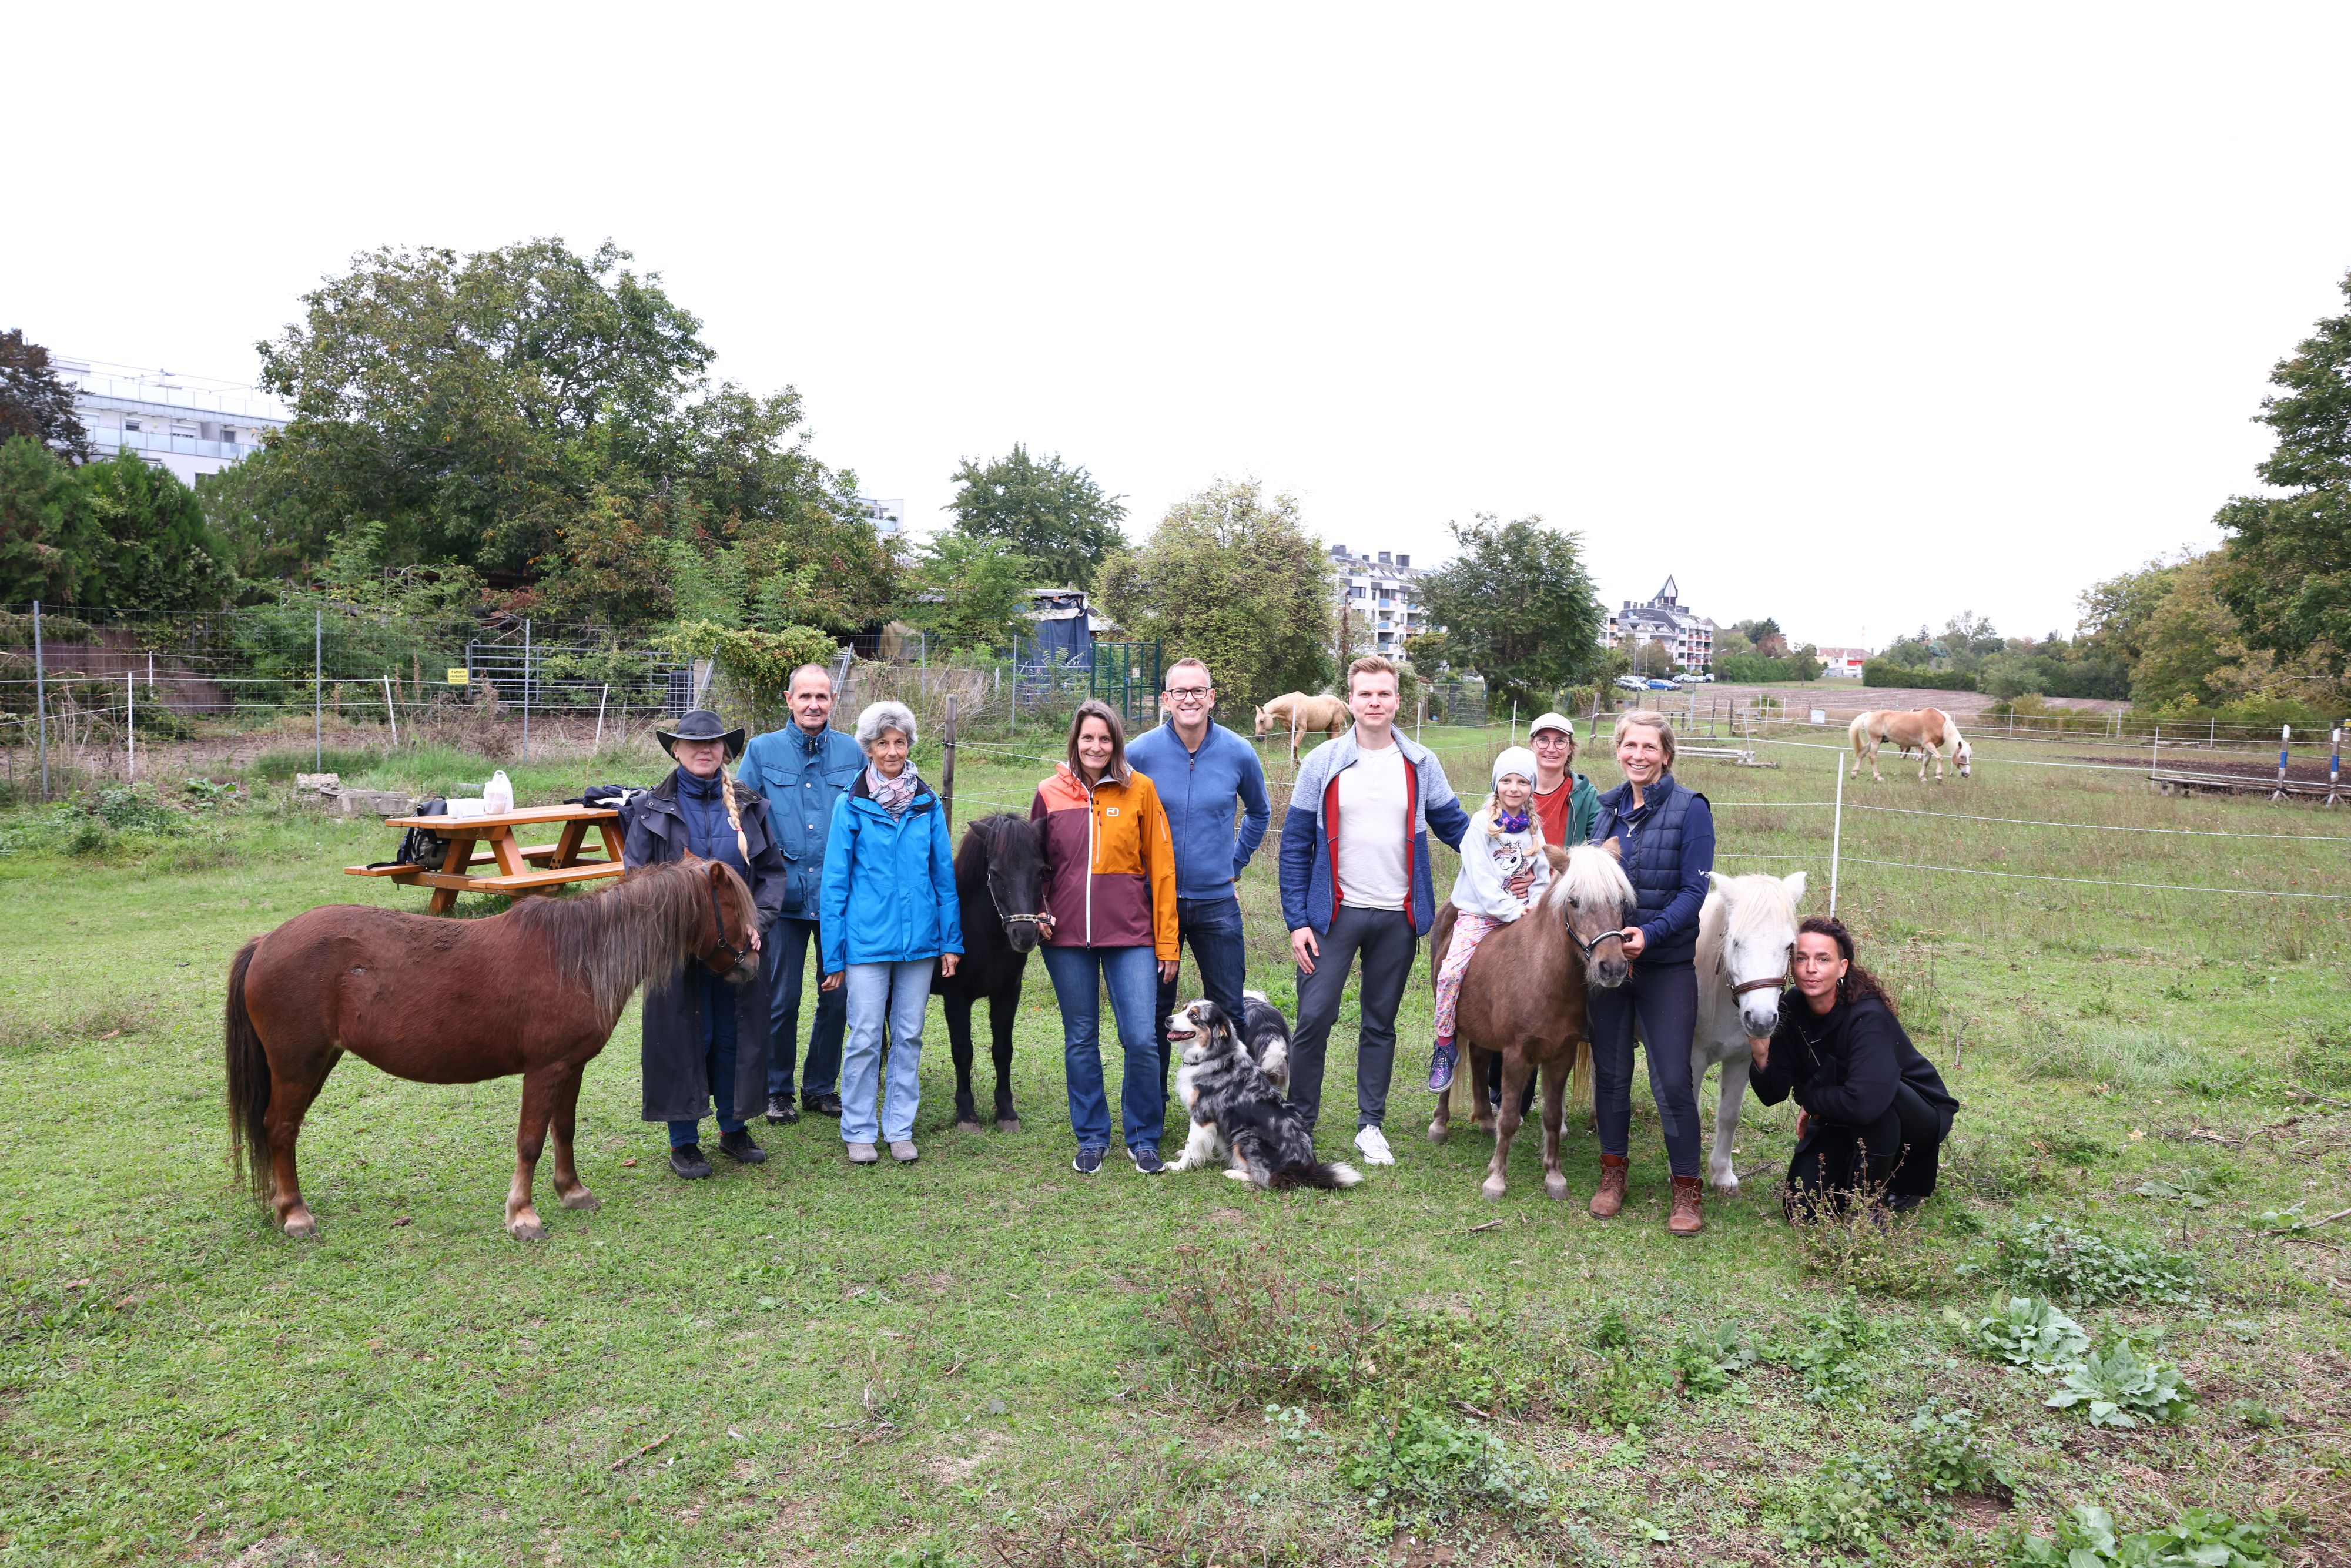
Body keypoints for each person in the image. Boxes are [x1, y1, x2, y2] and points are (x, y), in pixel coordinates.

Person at [1279, 656, 1471, 1167]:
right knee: (1314, 1019)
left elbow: (1458, 829)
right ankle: (1300, 1124)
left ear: (1396, 701)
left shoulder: (1422, 763)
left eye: (1383, 694)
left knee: (1379, 1023)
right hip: (1332, 916)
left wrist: (1510, 851)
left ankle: (1370, 1126)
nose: (1374, 703)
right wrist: (1297, 920)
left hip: (1397, 916)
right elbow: (1296, 844)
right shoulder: (1324, 763)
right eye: (1365, 694)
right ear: (1351, 699)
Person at [623, 708, 786, 1180]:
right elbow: (636, 879)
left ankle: (734, 1129)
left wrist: (761, 921)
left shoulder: (751, 806)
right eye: (694, 744)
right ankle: (684, 1141)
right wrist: (676, 930)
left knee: (737, 1036)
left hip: (739, 946)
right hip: (677, 952)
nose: (704, 751)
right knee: (683, 1038)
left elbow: (773, 874)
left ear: (726, 752)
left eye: (714, 744)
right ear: (676, 750)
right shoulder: (652, 810)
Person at [1031, 699, 1180, 1175]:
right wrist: (1037, 911)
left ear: (1116, 742)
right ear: (1075, 741)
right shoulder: (1049, 792)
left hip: (1131, 934)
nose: (1096, 747)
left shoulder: (1141, 791)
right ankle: (1092, 1136)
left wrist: (1168, 942)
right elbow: (1031, 865)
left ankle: (1143, 1137)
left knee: (1140, 1038)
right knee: (1081, 1037)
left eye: (1105, 738)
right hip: (1066, 935)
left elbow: (1162, 869)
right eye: (1087, 738)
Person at [1585, 709, 1716, 1234]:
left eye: (1649, 747)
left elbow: (1694, 892)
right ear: (1617, 750)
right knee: (1612, 1077)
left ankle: (1686, 1190)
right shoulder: (1607, 811)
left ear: (1666, 754)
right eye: (1629, 746)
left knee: (1672, 1081)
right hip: (1610, 967)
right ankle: (1612, 1174)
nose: (1638, 755)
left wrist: (1652, 934)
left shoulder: (1691, 810)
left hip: (1664, 967)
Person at [818, 701, 962, 1167]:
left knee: (910, 1033)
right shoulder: (850, 804)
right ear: (868, 748)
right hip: (866, 943)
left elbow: (944, 877)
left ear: (909, 745)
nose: (893, 751)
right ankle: (859, 1128)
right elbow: (835, 883)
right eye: (883, 743)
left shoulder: (927, 803)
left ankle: (899, 1127)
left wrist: (951, 941)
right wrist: (834, 957)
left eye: (900, 742)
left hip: (919, 942)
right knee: (863, 1035)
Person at [1126, 656, 1271, 1098]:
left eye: (1198, 691)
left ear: (1211, 697)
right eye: (1180, 692)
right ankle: (1151, 1111)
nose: (1190, 699)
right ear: (1166, 699)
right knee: (1155, 1013)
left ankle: (1234, 1103)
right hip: (1155, 904)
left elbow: (1259, 812)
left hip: (1215, 903)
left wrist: (1235, 863)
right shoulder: (1139, 753)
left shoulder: (1239, 751)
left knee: (1229, 1010)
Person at [1749, 916, 1958, 1214]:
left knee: (1878, 1104)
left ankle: (1872, 1203)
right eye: (1801, 959)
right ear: (1790, 965)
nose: (1811, 968)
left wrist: (1811, 1100)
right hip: (1841, 1111)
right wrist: (1760, 1054)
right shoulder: (1789, 1008)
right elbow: (1773, 1094)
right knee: (1801, 1209)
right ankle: (1854, 1171)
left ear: (1842, 967)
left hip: (1916, 1112)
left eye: (1823, 959)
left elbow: (1865, 1103)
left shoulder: (1867, 1015)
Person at [738, 661, 864, 1124]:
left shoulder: (853, 753)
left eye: (823, 697)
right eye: (805, 696)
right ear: (788, 700)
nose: (814, 705)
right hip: (783, 899)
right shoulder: (762, 750)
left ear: (833, 702)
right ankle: (777, 1090)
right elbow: (743, 819)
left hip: (837, 899)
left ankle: (820, 1087)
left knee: (837, 996)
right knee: (781, 998)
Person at [1427, 746, 1549, 1093]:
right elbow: (1481, 880)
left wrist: (1535, 908)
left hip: (1524, 919)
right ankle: (1445, 1044)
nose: (1514, 788)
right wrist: (1513, 909)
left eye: (1523, 782)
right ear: (1497, 785)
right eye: (1507, 781)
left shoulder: (1533, 830)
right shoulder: (1481, 825)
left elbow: (1542, 877)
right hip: (1481, 916)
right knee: (1450, 972)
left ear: (1531, 787)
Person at [1527, 712, 1599, 849]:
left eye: (1560, 741)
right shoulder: (1512, 789)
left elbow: (1599, 845)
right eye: (1543, 740)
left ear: (1570, 748)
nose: (1551, 749)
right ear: (1532, 745)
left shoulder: (1586, 795)